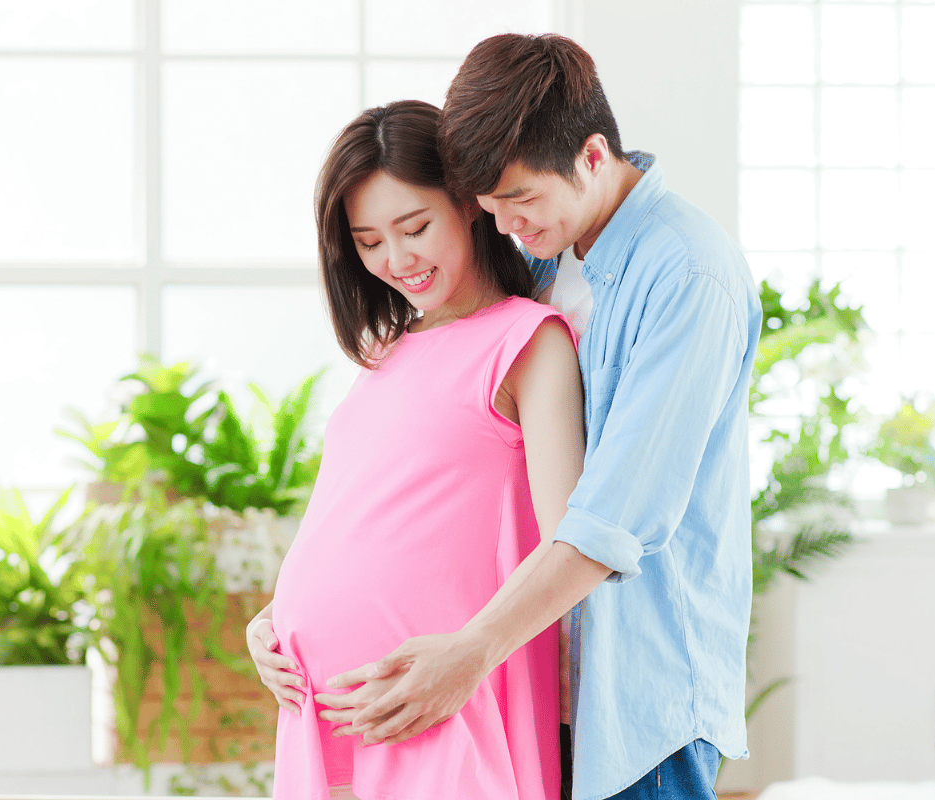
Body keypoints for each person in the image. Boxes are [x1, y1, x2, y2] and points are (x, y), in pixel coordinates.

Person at [302, 33, 763, 800]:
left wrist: (472, 652)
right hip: (540, 685)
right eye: (489, 206)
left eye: (520, 200)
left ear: (591, 155)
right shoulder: (550, 255)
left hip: (637, 696)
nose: (507, 225)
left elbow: (612, 519)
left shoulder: (687, 274)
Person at [247, 99, 586, 799]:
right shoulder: (388, 348)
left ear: (466, 201)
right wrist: (272, 622)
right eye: (369, 241)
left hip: (443, 699)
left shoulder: (527, 342)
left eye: (414, 227)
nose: (397, 260)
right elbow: (353, 513)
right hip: (322, 708)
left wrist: (467, 657)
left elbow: (568, 544)